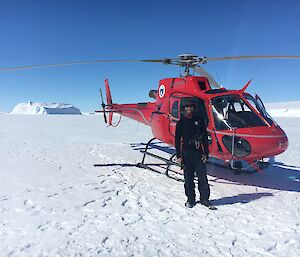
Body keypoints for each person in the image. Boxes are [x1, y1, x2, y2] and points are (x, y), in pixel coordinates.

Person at [175, 101, 211, 208]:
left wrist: (206, 152)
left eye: (190, 106)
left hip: (198, 152)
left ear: (193, 108)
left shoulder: (199, 121)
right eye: (186, 107)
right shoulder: (181, 122)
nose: (188, 108)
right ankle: (190, 199)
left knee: (202, 177)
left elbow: (204, 137)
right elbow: (177, 140)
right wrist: (178, 156)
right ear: (184, 109)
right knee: (188, 178)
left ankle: (204, 199)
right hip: (186, 153)